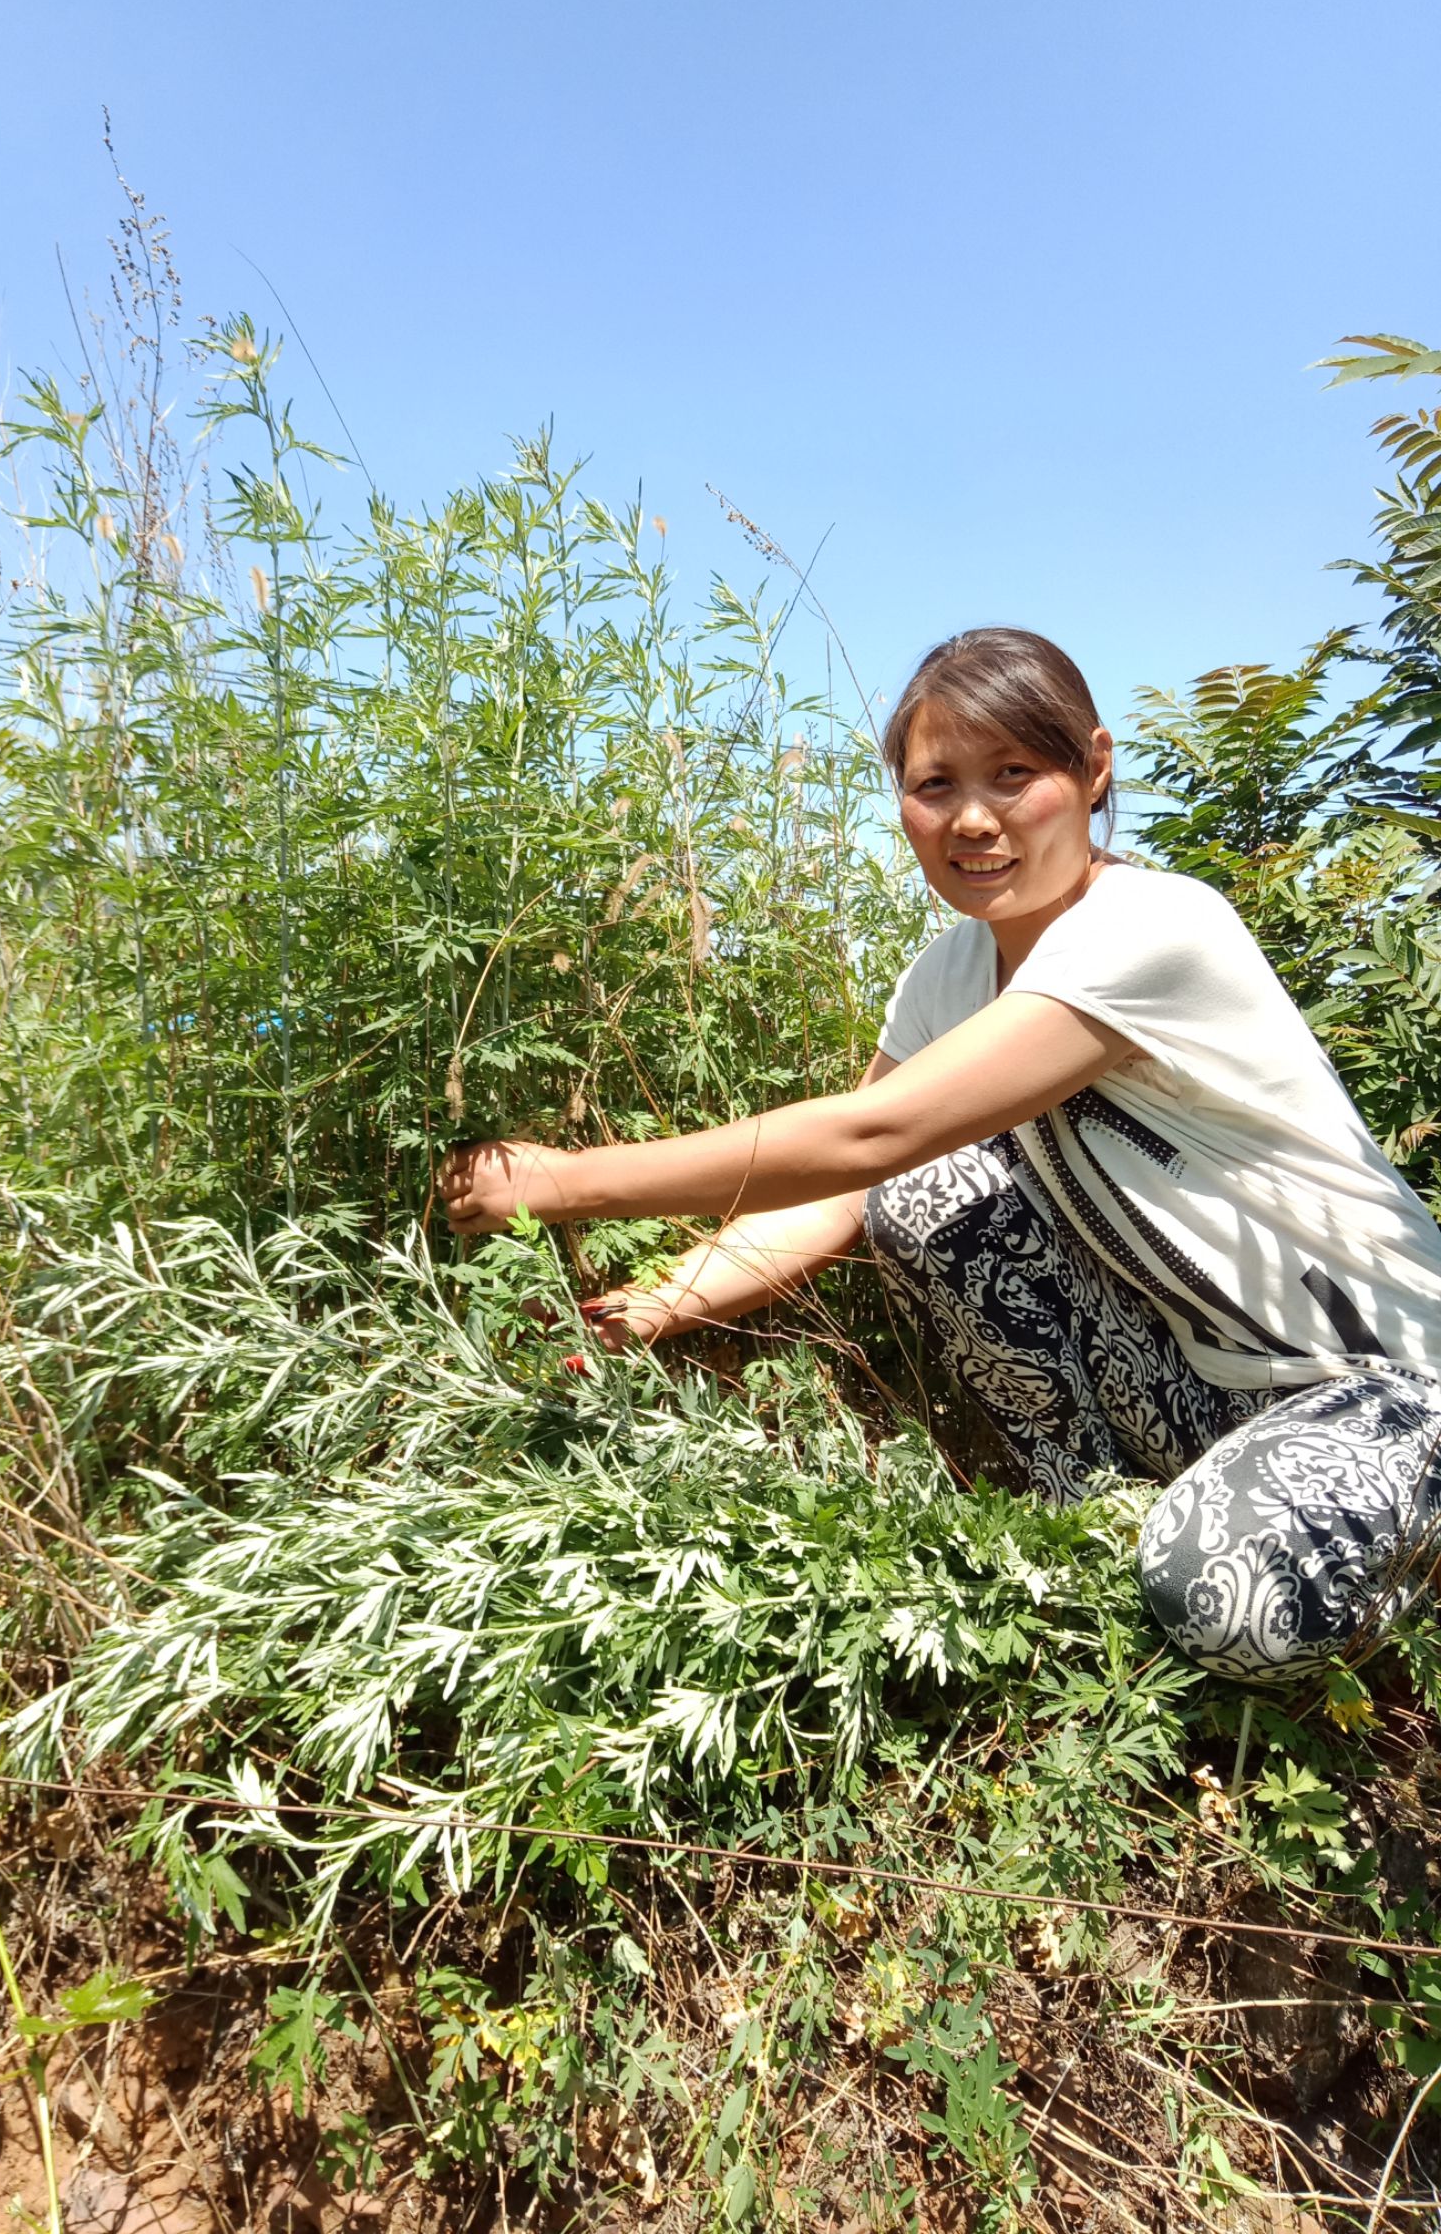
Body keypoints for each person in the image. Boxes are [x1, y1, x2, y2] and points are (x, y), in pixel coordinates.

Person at [437, 627, 1441, 1683]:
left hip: (1388, 1383)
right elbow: (853, 1183)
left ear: (1093, 769)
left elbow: (872, 1129)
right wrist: (650, 1308)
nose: (972, 819)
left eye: (1016, 774)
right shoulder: (949, 974)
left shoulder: (1155, 927)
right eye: (935, 785)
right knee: (922, 1198)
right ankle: (1087, 1527)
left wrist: (562, 1183)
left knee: (1222, 1599)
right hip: (1206, 1381)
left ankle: (1341, 1565)